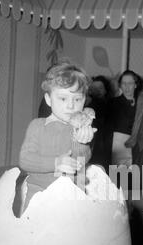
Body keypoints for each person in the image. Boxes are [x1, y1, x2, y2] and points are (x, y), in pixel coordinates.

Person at [19, 61, 96, 213]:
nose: (70, 106)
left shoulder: (79, 127)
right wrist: (56, 163)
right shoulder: (38, 125)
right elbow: (25, 159)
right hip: (39, 194)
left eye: (77, 99)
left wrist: (82, 142)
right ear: (48, 99)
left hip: (71, 196)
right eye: (63, 98)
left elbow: (81, 162)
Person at [106, 70, 142, 166]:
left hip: (137, 149)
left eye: (130, 83)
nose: (127, 87)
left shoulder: (142, 104)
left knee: (135, 179)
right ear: (120, 85)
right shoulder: (112, 103)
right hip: (118, 149)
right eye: (124, 83)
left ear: (135, 85)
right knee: (118, 178)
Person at [86, 75, 112, 170]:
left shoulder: (111, 106)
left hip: (105, 150)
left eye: (100, 88)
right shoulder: (87, 106)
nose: (96, 91)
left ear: (106, 90)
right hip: (92, 149)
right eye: (94, 88)